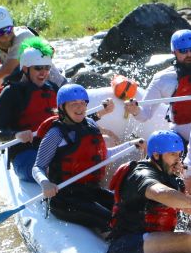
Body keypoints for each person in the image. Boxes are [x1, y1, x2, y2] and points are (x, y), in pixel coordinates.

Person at [32, 84, 144, 235]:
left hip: (91, 190)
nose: (79, 107)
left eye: (82, 103)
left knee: (129, 209)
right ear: (62, 107)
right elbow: (38, 166)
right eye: (73, 104)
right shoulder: (55, 135)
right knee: (111, 220)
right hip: (64, 198)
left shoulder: (90, 125)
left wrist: (130, 145)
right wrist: (45, 183)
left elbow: (105, 156)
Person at [106, 130, 191, 253]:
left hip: (152, 239)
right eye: (173, 154)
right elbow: (160, 193)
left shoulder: (169, 176)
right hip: (127, 242)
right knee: (187, 241)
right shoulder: (141, 174)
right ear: (156, 155)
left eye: (179, 155)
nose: (178, 160)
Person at [0, 45, 60, 182]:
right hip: (24, 154)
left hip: (54, 146)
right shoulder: (10, 93)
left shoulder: (53, 89)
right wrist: (15, 134)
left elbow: (68, 118)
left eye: (47, 67)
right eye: (38, 68)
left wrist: (97, 116)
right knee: (57, 170)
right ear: (25, 68)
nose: (44, 73)